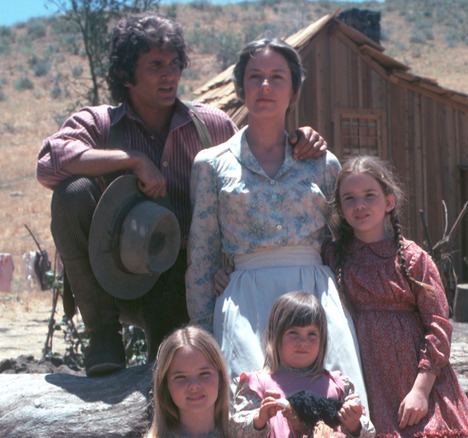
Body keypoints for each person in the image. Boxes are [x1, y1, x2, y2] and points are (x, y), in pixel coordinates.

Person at [36, 12, 327, 377]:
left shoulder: (211, 126)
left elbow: (255, 171)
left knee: (174, 379)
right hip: (114, 276)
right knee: (70, 193)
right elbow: (49, 161)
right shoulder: (100, 124)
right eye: (155, 65)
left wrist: (299, 139)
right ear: (126, 75)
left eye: (174, 64)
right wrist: (134, 160)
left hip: (186, 278)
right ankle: (103, 334)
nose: (169, 74)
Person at [186, 38, 367, 407]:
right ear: (240, 88)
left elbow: (345, 243)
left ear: (294, 90)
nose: (265, 86)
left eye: (277, 77)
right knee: (255, 410)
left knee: (335, 409)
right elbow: (201, 257)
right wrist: (203, 338)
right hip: (246, 301)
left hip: (314, 300)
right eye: (254, 77)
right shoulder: (211, 164)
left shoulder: (323, 163)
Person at [324, 155, 468, 437]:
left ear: (389, 201)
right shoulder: (334, 256)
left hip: (413, 380)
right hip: (362, 377)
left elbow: (439, 325)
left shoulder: (413, 259)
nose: (359, 204)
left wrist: (421, 391)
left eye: (369, 195)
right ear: (340, 209)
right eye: (349, 198)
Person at [230, 292, 375, 438]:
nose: (303, 342)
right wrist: (259, 420)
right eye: (293, 332)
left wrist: (354, 424)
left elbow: (369, 433)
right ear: (275, 336)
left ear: (322, 340)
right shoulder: (257, 384)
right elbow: (235, 430)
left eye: (312, 334)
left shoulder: (338, 385)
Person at [145, 326, 231, 438]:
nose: (194, 385)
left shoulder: (244, 434)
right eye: (180, 377)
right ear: (165, 386)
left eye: (204, 373)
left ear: (221, 378)